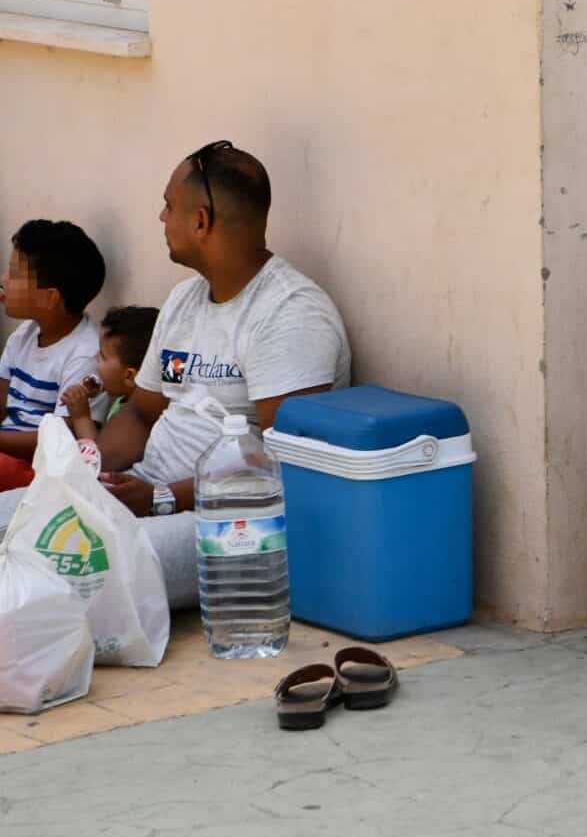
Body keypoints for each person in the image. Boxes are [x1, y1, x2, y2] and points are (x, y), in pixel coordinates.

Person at [0, 144, 351, 612]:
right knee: (16, 528)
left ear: (201, 221)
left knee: (56, 585)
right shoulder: (184, 301)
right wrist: (88, 473)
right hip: (141, 488)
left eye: (169, 205)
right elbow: (143, 412)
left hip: (229, 522)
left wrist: (162, 498)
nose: (161, 216)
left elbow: (282, 464)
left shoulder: (290, 315)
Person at [0, 220, 108, 489]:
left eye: (14, 274)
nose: (4, 280)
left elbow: (60, 438)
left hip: (39, 466)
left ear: (50, 297)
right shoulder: (25, 334)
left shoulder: (84, 354)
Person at [60, 306, 158, 444]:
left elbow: (97, 456)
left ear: (130, 376)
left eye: (103, 356)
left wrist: (81, 417)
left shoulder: (135, 419)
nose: (96, 357)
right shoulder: (125, 397)